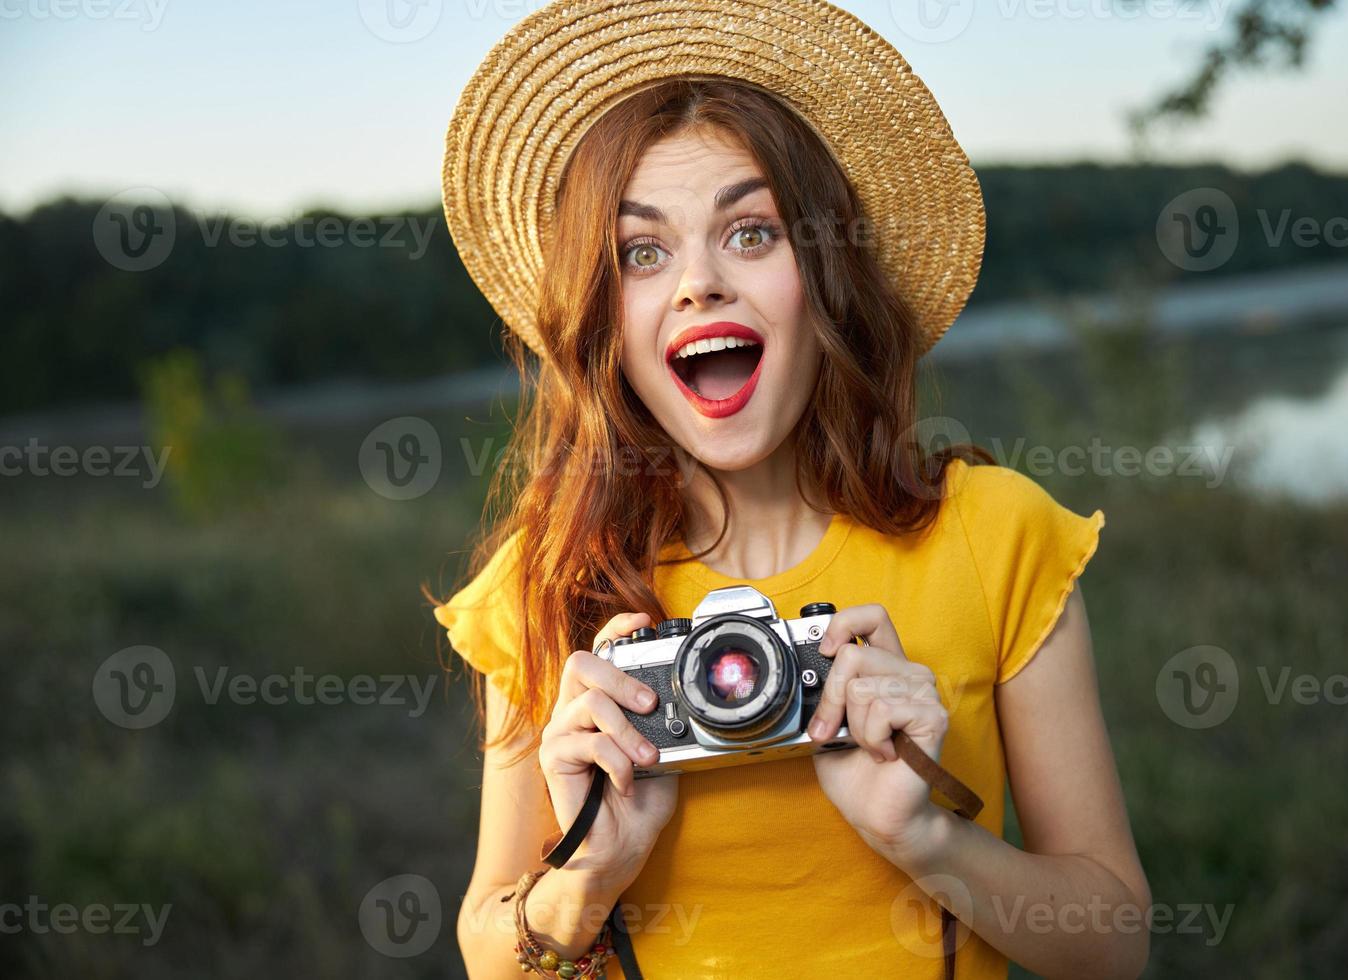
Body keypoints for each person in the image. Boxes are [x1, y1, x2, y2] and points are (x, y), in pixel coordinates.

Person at [433, 2, 1150, 977]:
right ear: (606, 321)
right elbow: (488, 953)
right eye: (641, 251)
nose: (698, 285)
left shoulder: (996, 535)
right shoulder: (546, 583)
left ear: (827, 276)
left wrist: (929, 839)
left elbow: (1113, 945)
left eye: (753, 233)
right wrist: (587, 871)